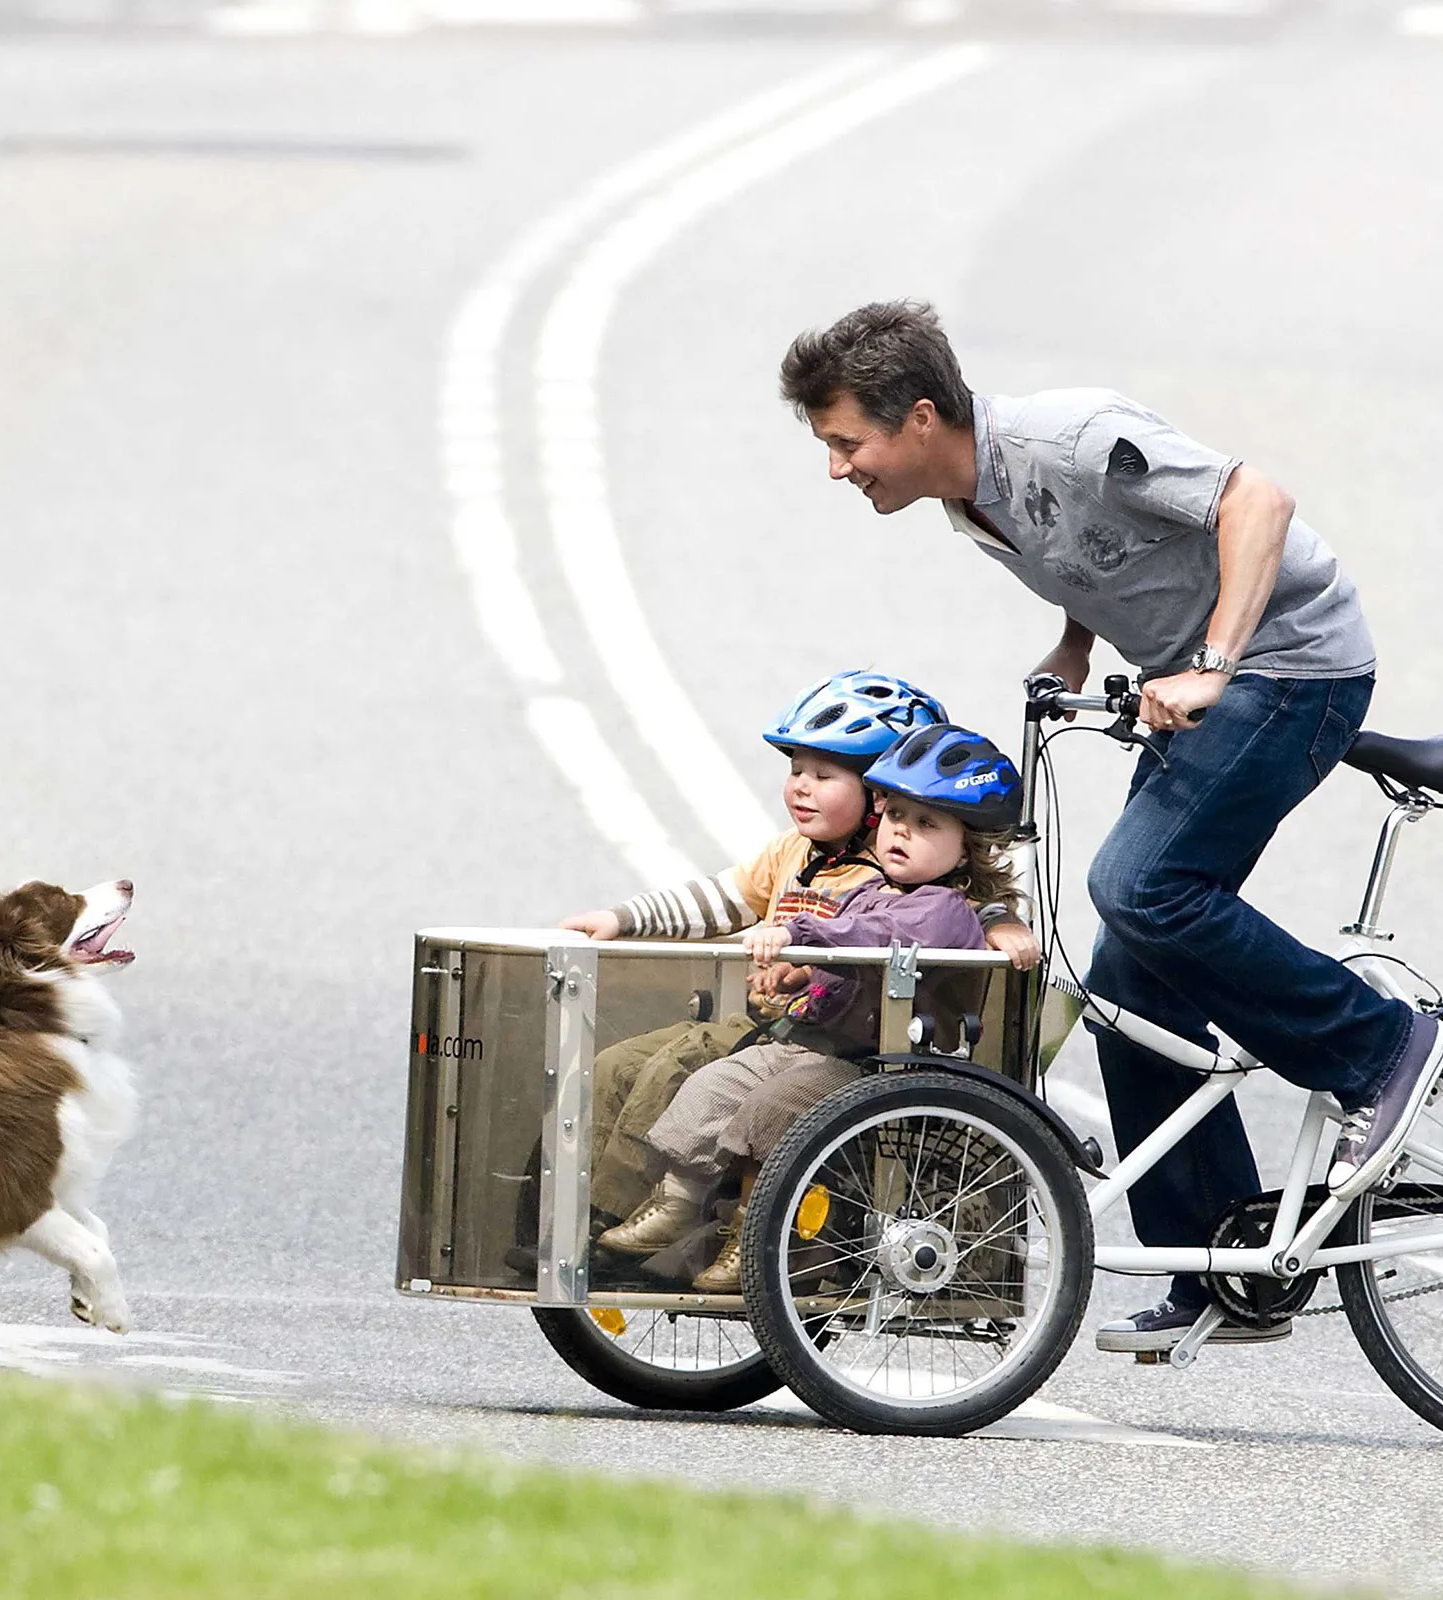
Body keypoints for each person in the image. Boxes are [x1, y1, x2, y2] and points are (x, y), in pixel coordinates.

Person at [777, 299, 1440, 1353]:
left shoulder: (1071, 439)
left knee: (1142, 887)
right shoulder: (970, 500)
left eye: (846, 443)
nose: (838, 469)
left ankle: (1377, 1047)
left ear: (916, 416)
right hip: (1212, 673)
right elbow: (1102, 556)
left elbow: (1255, 501)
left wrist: (1215, 663)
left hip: (1295, 664)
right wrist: (1076, 645)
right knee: (1126, 975)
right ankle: (1217, 1262)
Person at [561, 672, 1037, 1222]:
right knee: (620, 1064)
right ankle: (588, 1218)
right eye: (796, 771)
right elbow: (719, 899)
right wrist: (624, 919)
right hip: (771, 1027)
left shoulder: (903, 872)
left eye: (824, 774)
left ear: (875, 792)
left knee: (676, 1072)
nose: (801, 787)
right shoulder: (797, 851)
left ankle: (623, 1222)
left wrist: (1000, 918)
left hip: (826, 1044)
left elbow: (959, 904)